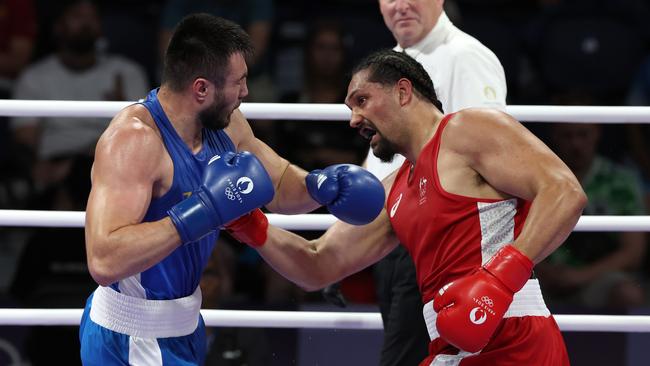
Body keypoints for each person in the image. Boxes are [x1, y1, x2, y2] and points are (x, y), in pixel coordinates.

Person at [228, 49, 586, 365]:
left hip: (514, 336)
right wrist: (250, 226)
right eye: (351, 108)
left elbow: (565, 192)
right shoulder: (395, 189)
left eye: (362, 100)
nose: (354, 120)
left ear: (403, 91)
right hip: (451, 344)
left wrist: (498, 281)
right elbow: (319, 263)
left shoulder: (467, 129)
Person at [80, 14, 385, 365]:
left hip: (183, 324)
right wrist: (202, 212)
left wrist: (321, 186)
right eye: (237, 82)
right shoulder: (134, 141)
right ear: (201, 89)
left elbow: (280, 183)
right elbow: (104, 259)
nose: (245, 92)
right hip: (131, 335)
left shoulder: (226, 126)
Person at [327, 1, 508, 364]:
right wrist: (346, 242)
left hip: (435, 245)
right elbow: (380, 164)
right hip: (392, 238)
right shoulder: (385, 66)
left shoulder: (467, 57)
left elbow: (486, 155)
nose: (401, 5)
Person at [11, 0, 149, 194]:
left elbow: (139, 135)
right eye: (77, 16)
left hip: (108, 163)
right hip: (52, 167)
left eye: (92, 17)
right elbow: (25, 138)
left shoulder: (127, 72)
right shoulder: (34, 77)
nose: (86, 23)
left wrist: (122, 111)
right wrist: (37, 168)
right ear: (57, 26)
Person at [537, 121, 647, 310]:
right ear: (554, 135)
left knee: (628, 293)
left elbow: (633, 253)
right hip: (542, 277)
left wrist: (580, 276)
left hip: (599, 277)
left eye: (583, 134)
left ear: (597, 133)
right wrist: (544, 273)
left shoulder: (620, 181)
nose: (576, 143)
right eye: (567, 135)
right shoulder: (536, 177)